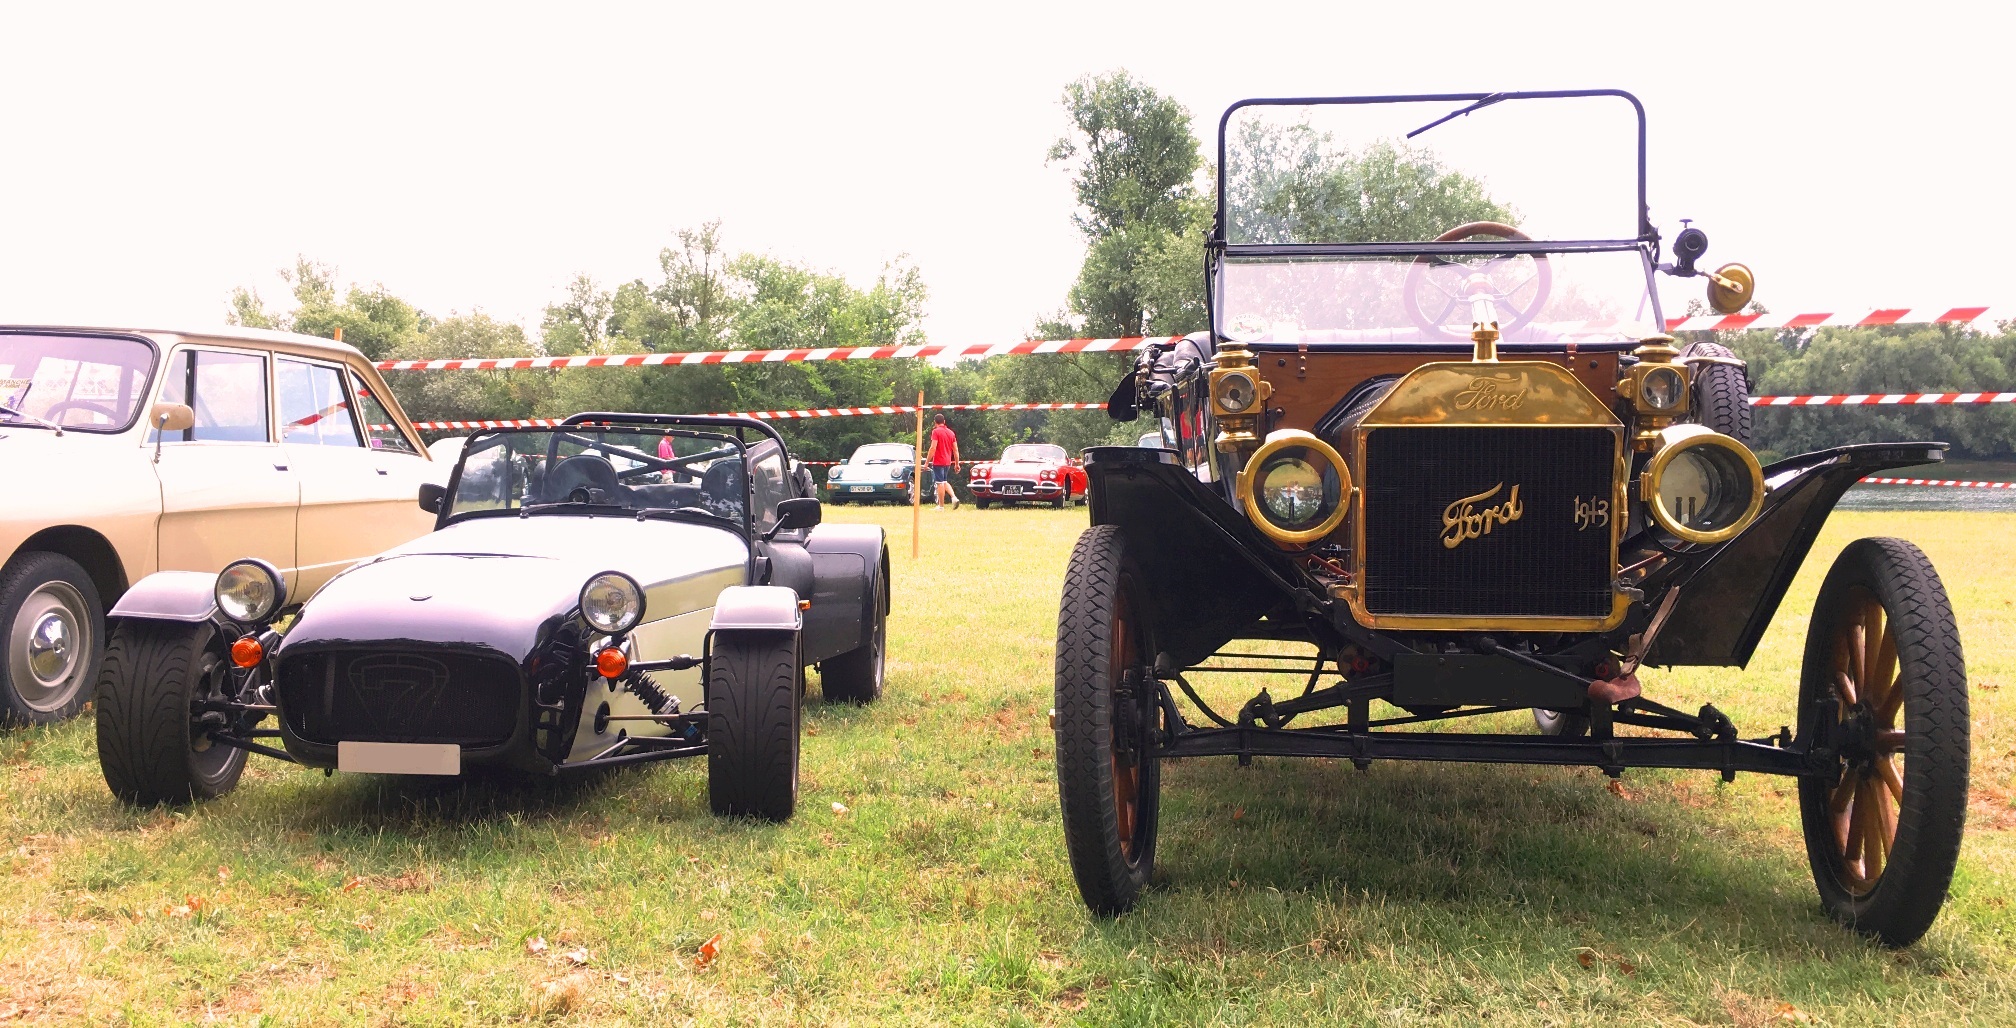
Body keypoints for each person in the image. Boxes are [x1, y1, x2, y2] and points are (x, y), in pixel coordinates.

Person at [927, 414, 960, 509]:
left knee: (940, 483)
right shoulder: (951, 433)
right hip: (947, 462)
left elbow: (933, 448)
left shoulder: (936, 432)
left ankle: (941, 506)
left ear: (935, 422)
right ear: (944, 421)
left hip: (938, 461)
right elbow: (955, 450)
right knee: (944, 481)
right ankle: (954, 497)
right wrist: (957, 464)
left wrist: (926, 462)